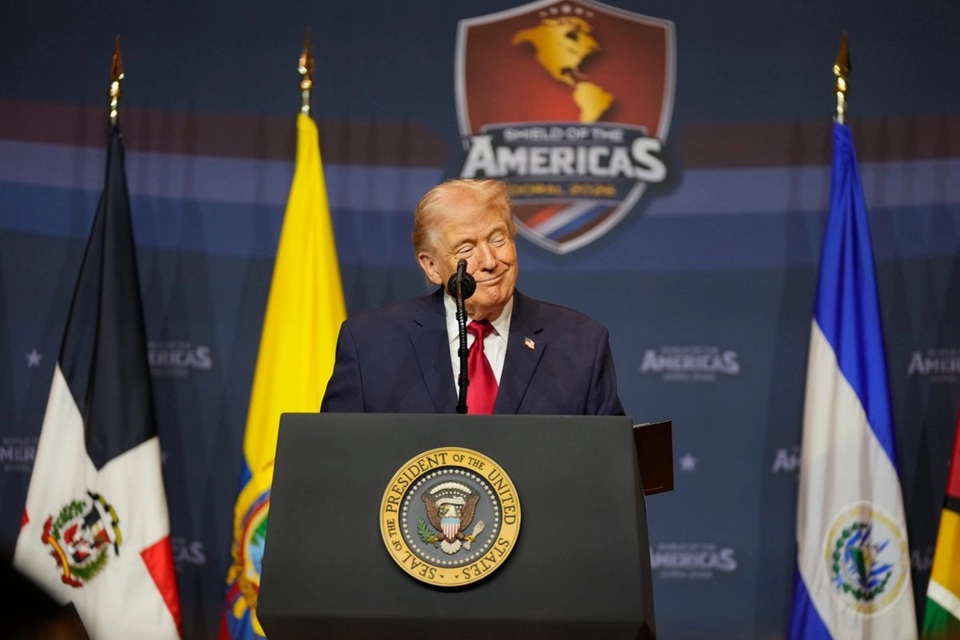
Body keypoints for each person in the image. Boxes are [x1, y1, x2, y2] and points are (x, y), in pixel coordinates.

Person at [320, 178, 624, 415]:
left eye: (498, 239)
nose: (490, 261)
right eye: (466, 249)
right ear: (431, 266)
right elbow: (335, 458)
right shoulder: (370, 345)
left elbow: (611, 462)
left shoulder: (580, 343)